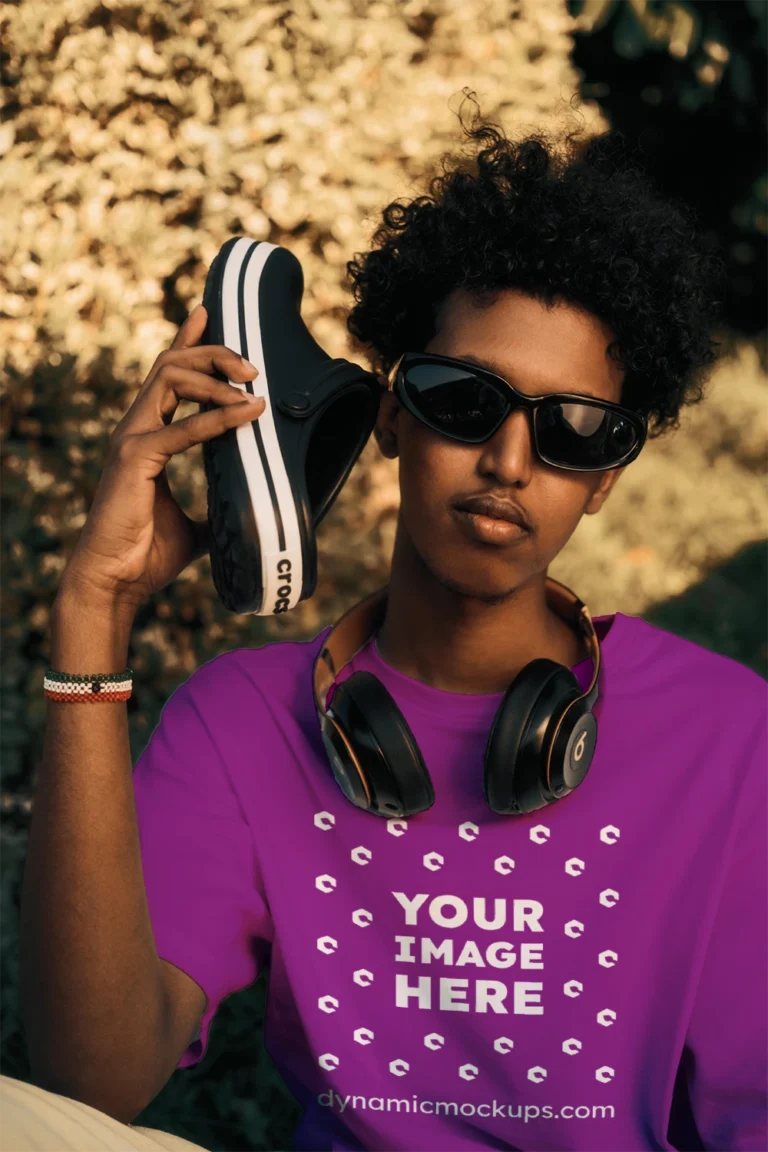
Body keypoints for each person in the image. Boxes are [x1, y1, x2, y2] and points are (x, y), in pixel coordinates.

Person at [7, 100, 767, 1152]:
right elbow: (87, 1082)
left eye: (575, 430)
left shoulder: (731, 736)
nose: (508, 461)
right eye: (464, 399)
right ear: (393, 413)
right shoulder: (243, 722)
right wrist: (93, 612)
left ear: (605, 480)